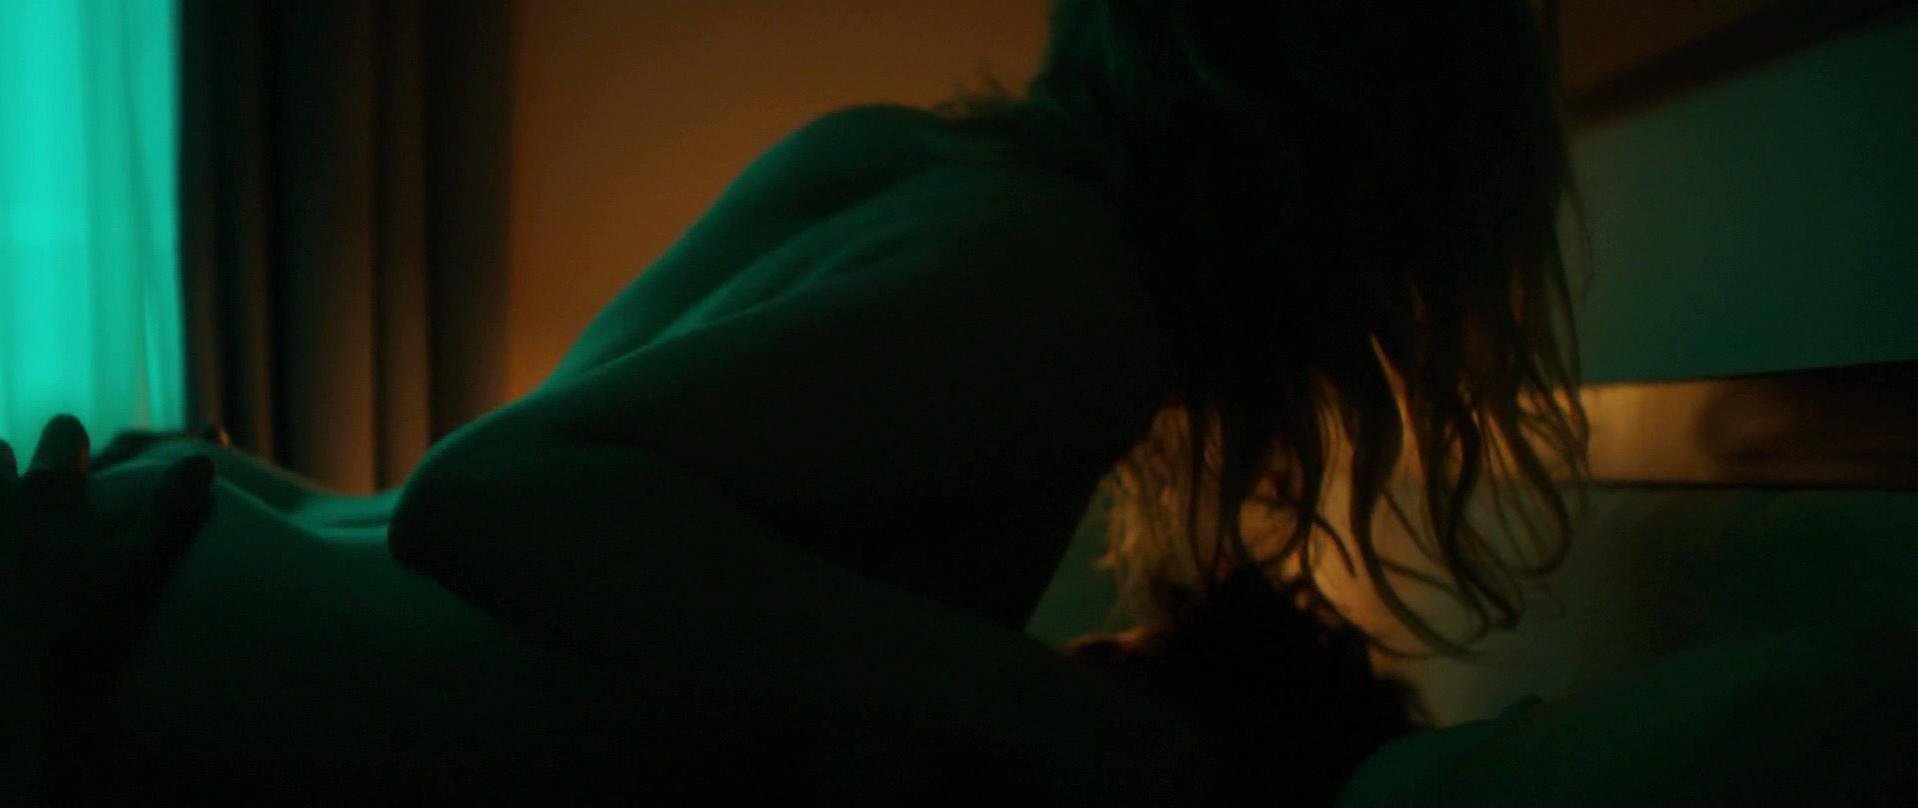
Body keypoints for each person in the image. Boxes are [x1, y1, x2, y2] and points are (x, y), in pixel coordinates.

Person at [28, 0, 1870, 802]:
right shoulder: (1067, 286)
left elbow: (449, 511)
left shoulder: (915, 166)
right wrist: (1060, 726)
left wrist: (239, 494)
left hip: (161, 575)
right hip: (130, 631)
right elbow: (490, 504)